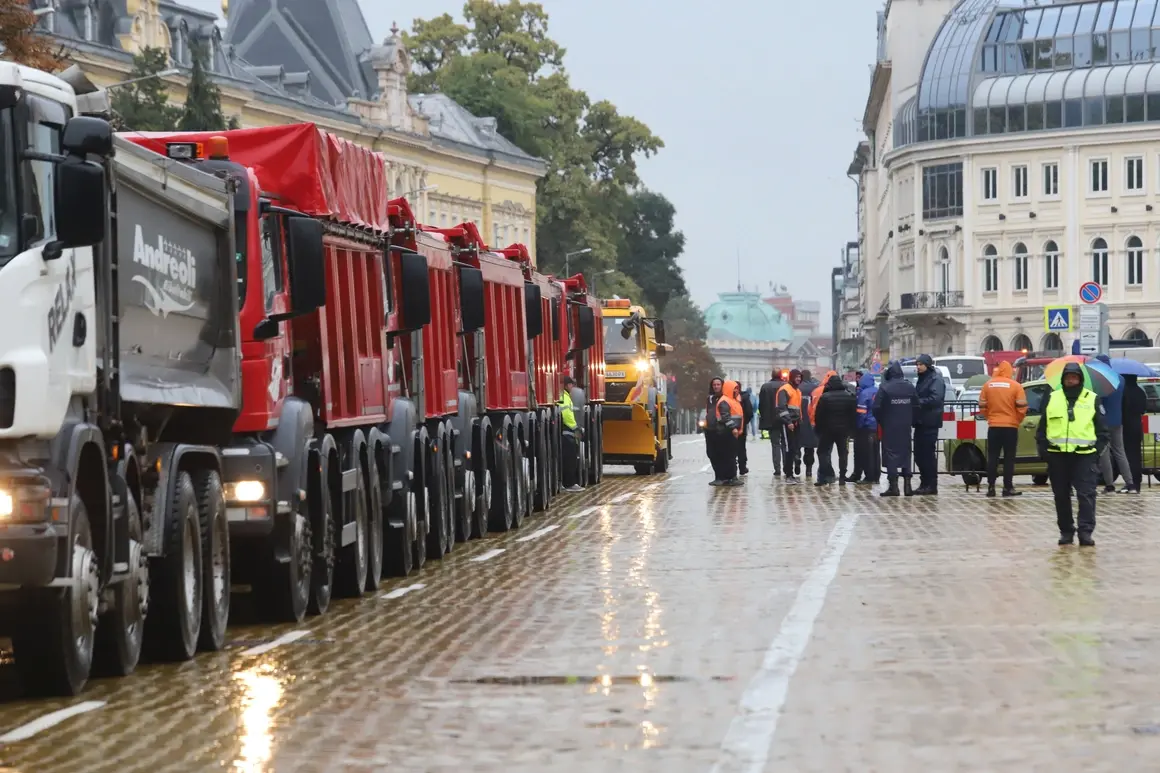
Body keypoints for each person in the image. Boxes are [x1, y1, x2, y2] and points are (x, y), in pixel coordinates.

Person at [1036, 362, 1108, 546]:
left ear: (1080, 379)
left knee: (1086, 495)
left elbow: (1103, 431)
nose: (1071, 380)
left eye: (1074, 377)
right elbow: (1042, 428)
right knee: (1061, 496)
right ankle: (1066, 531)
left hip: (1084, 456)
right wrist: (1044, 451)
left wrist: (1096, 452)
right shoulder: (1053, 397)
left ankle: (1085, 532)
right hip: (1057, 456)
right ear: (1063, 379)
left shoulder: (1091, 398)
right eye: (1068, 377)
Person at [978, 360, 1028, 497]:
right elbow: (1022, 407)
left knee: (993, 457)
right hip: (1010, 427)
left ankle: (991, 487)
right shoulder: (1016, 386)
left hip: (994, 426)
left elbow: (982, 406)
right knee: (1009, 458)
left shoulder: (988, 385)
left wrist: (990, 418)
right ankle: (1007, 487)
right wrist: (1016, 420)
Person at [873, 361, 918, 497]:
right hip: (905, 426)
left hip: (890, 426)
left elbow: (876, 407)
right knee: (906, 453)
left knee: (891, 454)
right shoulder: (909, 387)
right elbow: (917, 405)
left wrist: (882, 420)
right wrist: (911, 419)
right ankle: (908, 487)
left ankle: (894, 487)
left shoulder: (885, 387)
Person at [1093, 355, 1134, 493]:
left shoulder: (1100, 380)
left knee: (1104, 453)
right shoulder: (1120, 378)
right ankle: (1130, 483)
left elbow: (1099, 401)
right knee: (1120, 451)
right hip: (1118, 420)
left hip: (1104, 421)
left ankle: (1109, 484)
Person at [813, 374, 858, 485]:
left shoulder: (825, 397)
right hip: (844, 431)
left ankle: (826, 474)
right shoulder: (849, 396)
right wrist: (852, 430)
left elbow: (818, 415)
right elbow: (853, 415)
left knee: (822, 452)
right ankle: (842, 477)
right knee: (843, 453)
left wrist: (818, 429)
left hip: (827, 431)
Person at [912, 353, 946, 495]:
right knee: (919, 455)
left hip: (930, 422)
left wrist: (918, 402)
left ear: (927, 365)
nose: (918, 367)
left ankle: (931, 484)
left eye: (921, 364)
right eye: (917, 365)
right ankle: (924, 482)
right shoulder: (922, 379)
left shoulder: (935, 379)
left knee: (927, 455)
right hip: (920, 422)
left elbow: (936, 398)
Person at [711, 379, 745, 486]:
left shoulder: (733, 400)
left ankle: (730, 477)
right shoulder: (725, 401)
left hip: (731, 433)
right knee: (728, 456)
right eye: (735, 389)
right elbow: (725, 416)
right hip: (726, 432)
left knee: (731, 455)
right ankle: (730, 477)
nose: (736, 391)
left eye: (737, 389)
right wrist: (734, 428)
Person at [851, 372, 880, 485]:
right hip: (876, 427)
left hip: (866, 427)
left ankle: (869, 477)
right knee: (875, 453)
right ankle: (876, 476)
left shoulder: (864, 394)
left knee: (866, 453)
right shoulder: (878, 391)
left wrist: (858, 426)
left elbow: (861, 413)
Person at [777, 370, 804, 481]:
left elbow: (797, 408)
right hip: (787, 424)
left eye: (800, 377)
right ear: (792, 377)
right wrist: (788, 422)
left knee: (795, 448)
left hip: (796, 423)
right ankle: (789, 474)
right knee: (788, 449)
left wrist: (800, 420)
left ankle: (792, 470)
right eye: (796, 377)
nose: (798, 379)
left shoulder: (797, 391)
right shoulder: (785, 390)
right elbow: (782, 408)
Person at [1122, 373, 1146, 494]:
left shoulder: (1124, 391)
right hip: (1137, 426)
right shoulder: (1140, 391)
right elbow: (1143, 409)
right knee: (1136, 456)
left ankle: (1131, 483)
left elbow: (1123, 408)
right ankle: (1137, 482)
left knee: (1128, 456)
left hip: (1127, 426)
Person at [758, 370, 787, 475]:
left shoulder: (765, 387)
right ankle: (786, 467)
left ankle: (777, 469)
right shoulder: (786, 386)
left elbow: (761, 405)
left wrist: (764, 417)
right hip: (784, 419)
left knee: (775, 444)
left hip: (771, 420)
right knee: (785, 444)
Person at [559, 376, 582, 492]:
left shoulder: (565, 396)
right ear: (567, 385)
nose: (572, 387)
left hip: (565, 432)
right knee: (570, 459)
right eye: (571, 385)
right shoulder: (564, 396)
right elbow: (567, 415)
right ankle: (569, 484)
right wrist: (576, 428)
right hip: (567, 433)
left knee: (568, 458)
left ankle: (567, 483)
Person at [797, 370, 820, 478]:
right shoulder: (815, 388)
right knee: (809, 448)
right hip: (811, 422)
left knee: (797, 445)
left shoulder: (796, 388)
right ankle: (809, 470)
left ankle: (796, 460)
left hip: (798, 421)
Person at [737, 384, 754, 476]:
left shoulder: (744, 397)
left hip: (736, 427)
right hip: (742, 427)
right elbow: (749, 412)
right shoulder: (745, 397)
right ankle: (742, 467)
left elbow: (749, 412)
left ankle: (740, 467)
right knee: (741, 447)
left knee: (734, 448)